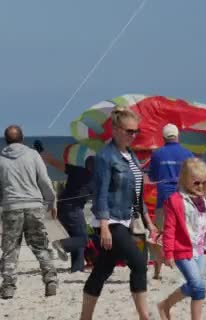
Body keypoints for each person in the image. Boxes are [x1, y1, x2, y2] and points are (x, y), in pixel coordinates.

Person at [80, 107, 158, 320]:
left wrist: (148, 221)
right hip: (112, 220)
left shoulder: (130, 155)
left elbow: (136, 192)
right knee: (139, 264)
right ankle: (145, 317)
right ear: (115, 129)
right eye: (129, 131)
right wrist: (104, 225)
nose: (133, 136)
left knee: (103, 269)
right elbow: (101, 192)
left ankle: (84, 318)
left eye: (136, 132)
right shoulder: (105, 156)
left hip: (129, 220)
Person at [0, 125, 58, 299]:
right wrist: (52, 200)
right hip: (33, 206)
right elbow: (44, 180)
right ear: (22, 138)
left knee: (10, 249)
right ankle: (50, 281)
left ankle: (9, 287)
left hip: (12, 208)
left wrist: (0, 200)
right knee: (40, 246)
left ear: (5, 139)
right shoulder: (33, 155)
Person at [157, 158, 206, 320]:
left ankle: (164, 305)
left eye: (203, 183)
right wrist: (168, 252)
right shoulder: (175, 201)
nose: (200, 187)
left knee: (193, 286)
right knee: (199, 287)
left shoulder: (205, 201)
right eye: (196, 183)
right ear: (185, 180)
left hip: (198, 251)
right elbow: (169, 229)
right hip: (181, 251)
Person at [33, 140, 94, 273]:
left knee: (77, 236)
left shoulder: (78, 170)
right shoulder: (96, 178)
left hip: (62, 207)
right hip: (72, 209)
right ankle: (61, 244)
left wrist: (40, 148)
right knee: (83, 239)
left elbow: (53, 162)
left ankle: (77, 268)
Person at [147, 124, 194, 280]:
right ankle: (188, 270)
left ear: (163, 137)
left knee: (158, 235)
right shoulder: (187, 154)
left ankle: (157, 272)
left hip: (164, 200)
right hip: (183, 200)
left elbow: (152, 177)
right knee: (184, 235)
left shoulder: (157, 154)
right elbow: (193, 178)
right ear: (177, 136)